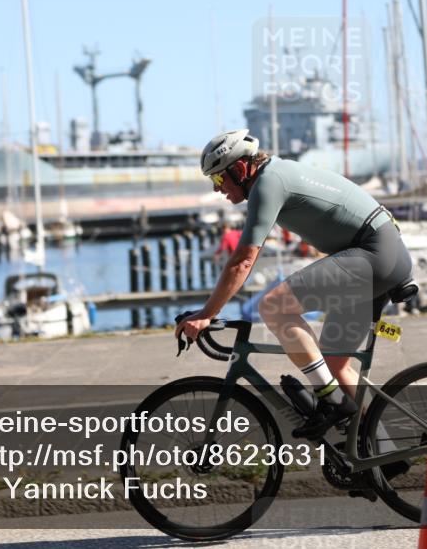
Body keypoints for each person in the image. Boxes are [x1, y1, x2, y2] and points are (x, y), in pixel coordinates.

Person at [176, 130, 413, 439]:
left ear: (240, 169)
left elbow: (243, 261)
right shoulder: (275, 176)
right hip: (384, 256)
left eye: (219, 180)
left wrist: (207, 313)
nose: (218, 189)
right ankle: (386, 454)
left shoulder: (269, 182)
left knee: (272, 306)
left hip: (375, 255)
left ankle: (331, 402)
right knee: (334, 364)